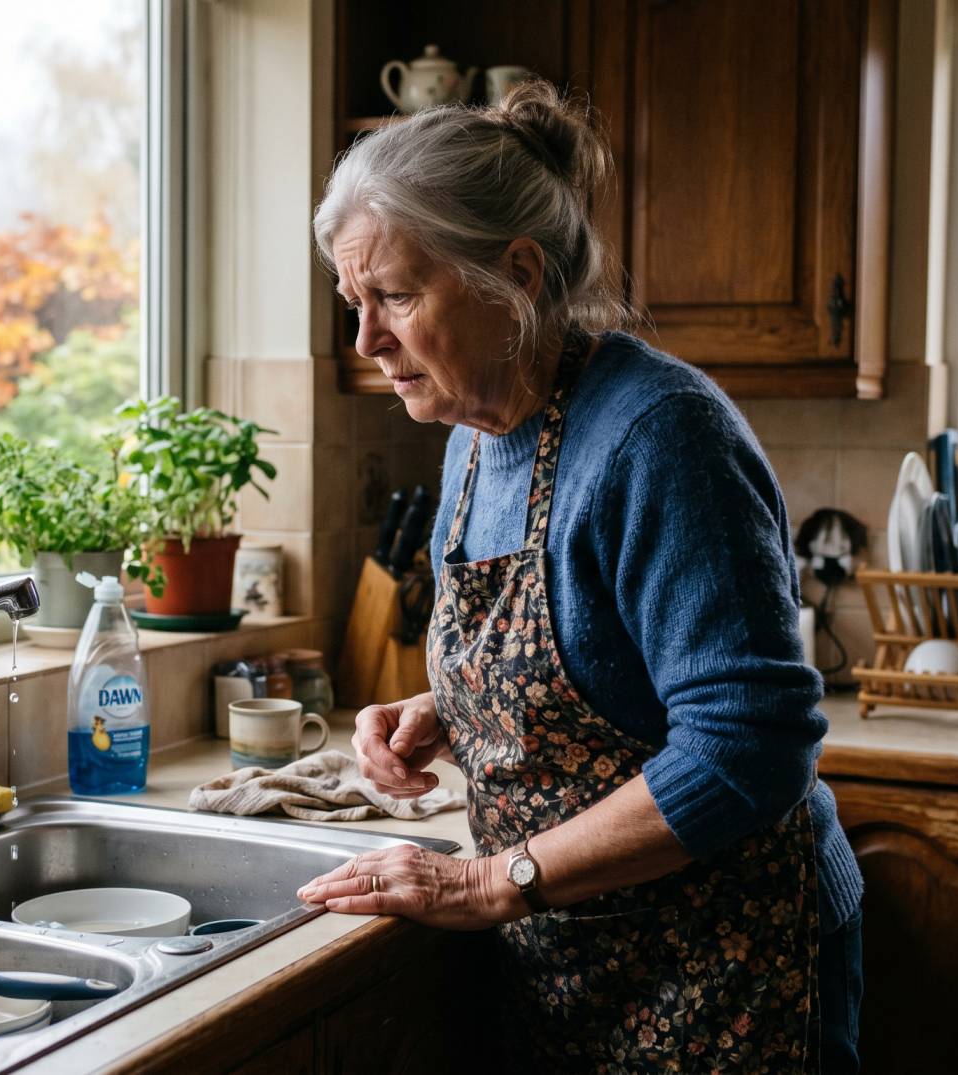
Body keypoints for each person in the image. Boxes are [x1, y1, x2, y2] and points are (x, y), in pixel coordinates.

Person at [294, 82, 863, 1073]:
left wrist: (489, 882)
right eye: (356, 304)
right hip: (573, 957)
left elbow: (751, 744)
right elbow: (592, 666)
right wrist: (451, 711)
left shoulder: (660, 435)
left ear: (514, 275)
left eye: (395, 297)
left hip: (727, 959)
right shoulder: (474, 434)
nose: (367, 341)